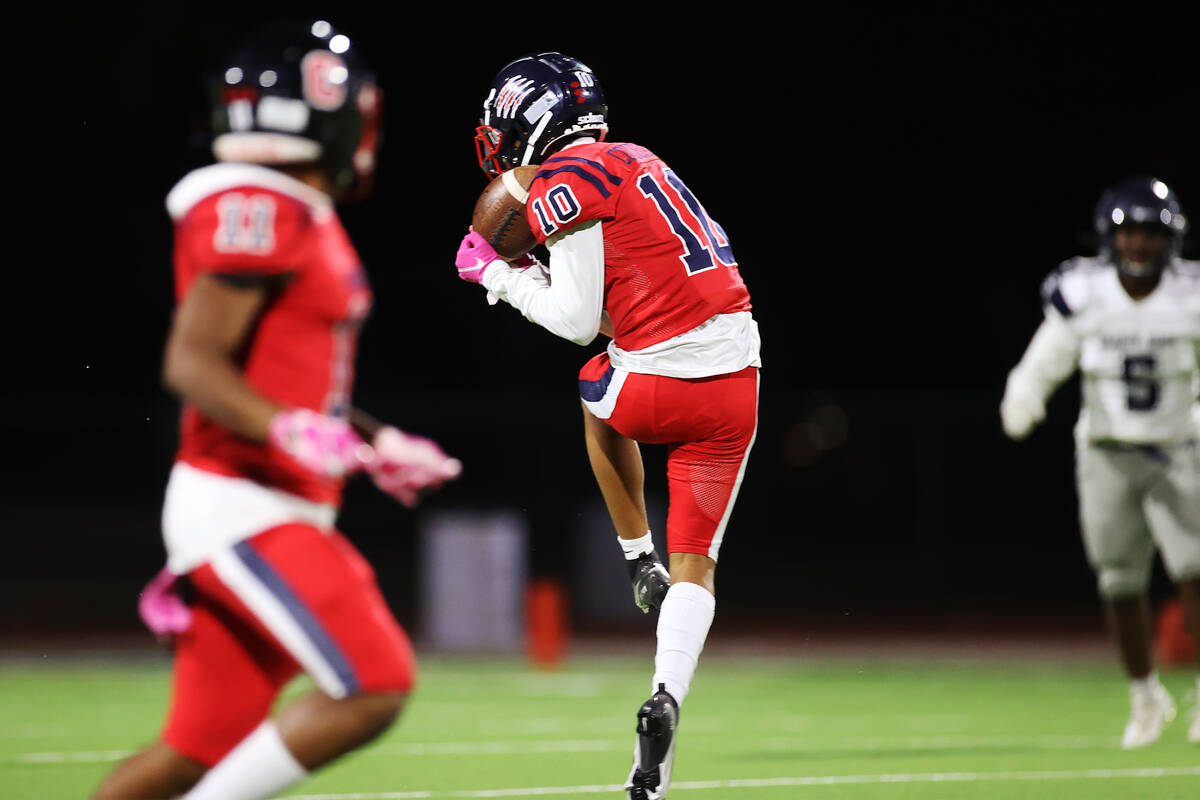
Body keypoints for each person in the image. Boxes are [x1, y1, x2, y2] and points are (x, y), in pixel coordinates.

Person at [91, 19, 462, 800]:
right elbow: (190, 361)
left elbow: (295, 381)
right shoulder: (259, 206)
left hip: (267, 500)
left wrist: (374, 435)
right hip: (242, 504)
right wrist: (288, 428)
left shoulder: (294, 207)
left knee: (192, 751)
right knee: (375, 681)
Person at [456, 53, 761, 799]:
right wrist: (534, 275)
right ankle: (662, 716)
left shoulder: (570, 178)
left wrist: (495, 275)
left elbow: (573, 324)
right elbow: (608, 302)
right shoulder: (640, 158)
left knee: (596, 394)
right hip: (741, 381)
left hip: (662, 381)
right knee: (702, 569)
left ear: (531, 122)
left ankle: (635, 560)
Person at [1000, 175, 1200, 749]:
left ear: (1170, 240)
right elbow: (1052, 351)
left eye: (1150, 233)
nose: (1139, 245)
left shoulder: (1186, 297)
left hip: (1178, 450)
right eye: (1130, 232)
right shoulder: (1087, 292)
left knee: (1194, 571)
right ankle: (1145, 696)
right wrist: (1026, 392)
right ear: (1111, 237)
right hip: (1107, 452)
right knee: (1119, 581)